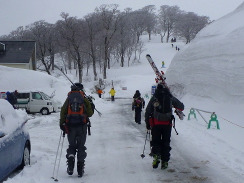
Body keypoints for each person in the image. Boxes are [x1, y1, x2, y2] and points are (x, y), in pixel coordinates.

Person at [145, 84, 184, 170]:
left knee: (156, 141)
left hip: (156, 124)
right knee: (166, 142)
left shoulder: (155, 97)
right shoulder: (170, 97)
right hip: (167, 124)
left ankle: (156, 157)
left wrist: (147, 123)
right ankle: (165, 162)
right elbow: (181, 106)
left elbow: (148, 110)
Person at [59, 83, 94, 177]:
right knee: (81, 146)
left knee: (72, 145)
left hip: (70, 126)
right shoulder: (83, 98)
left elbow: (63, 110)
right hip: (82, 126)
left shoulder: (69, 98)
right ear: (81, 89)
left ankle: (70, 161)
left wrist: (62, 123)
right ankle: (80, 168)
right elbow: (90, 113)